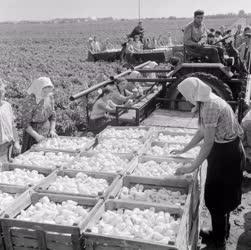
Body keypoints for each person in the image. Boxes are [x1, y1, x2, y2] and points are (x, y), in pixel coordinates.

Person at [172, 77, 244, 248]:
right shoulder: (206, 101)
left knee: (216, 197)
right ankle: (222, 230)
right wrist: (184, 149)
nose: (187, 98)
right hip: (224, 149)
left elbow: (208, 142)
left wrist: (191, 166)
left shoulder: (210, 105)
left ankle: (218, 238)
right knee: (220, 195)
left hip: (227, 153)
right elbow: (202, 131)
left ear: (193, 92)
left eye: (186, 95)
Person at [21, 77, 57, 153]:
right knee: (32, 156)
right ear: (38, 89)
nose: (46, 94)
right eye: (44, 92)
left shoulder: (50, 97)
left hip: (46, 131)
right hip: (32, 133)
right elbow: (25, 123)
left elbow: (53, 116)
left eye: (48, 92)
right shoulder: (30, 101)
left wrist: (52, 130)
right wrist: (36, 136)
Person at [0, 79, 21, 167]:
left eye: (1, 91)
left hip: (7, 146)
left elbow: (12, 125)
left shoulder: (7, 106)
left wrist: (16, 142)